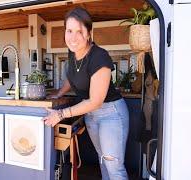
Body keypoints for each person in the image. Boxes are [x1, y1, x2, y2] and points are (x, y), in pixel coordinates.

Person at [42, 7, 129, 180]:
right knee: (103, 161)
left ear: (89, 33)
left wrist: (61, 114)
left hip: (110, 113)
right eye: (69, 30)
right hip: (90, 114)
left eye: (79, 31)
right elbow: (71, 77)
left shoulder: (99, 57)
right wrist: (59, 93)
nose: (73, 37)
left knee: (114, 168)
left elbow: (96, 101)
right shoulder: (73, 52)